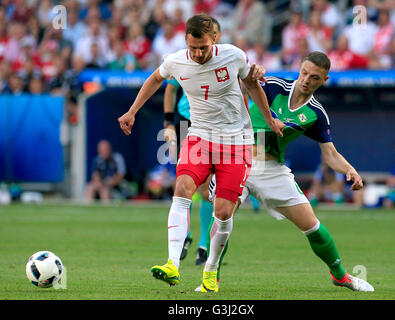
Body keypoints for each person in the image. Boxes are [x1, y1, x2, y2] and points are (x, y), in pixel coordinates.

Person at [117, 13, 284, 292]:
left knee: (223, 210)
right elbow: (155, 79)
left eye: (203, 48)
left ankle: (210, 272)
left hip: (236, 141)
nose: (197, 53)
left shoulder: (233, 56)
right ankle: (172, 263)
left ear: (214, 40)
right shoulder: (176, 60)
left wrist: (269, 119)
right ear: (186, 41)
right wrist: (132, 111)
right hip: (200, 137)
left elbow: (253, 85)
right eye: (193, 47)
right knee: (182, 187)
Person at [201, 51, 375, 292]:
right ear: (299, 69)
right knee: (221, 217)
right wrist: (254, 73)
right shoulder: (274, 85)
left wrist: (349, 169)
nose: (306, 80)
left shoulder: (315, 113)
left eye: (314, 77)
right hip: (237, 159)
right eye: (304, 73)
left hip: (272, 170)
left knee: (312, 226)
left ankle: (340, 275)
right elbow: (245, 83)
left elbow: (330, 153)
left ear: (324, 80)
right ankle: (211, 280)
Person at [162, 17, 222, 266]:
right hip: (187, 122)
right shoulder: (186, 59)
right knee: (186, 181)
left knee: (206, 187)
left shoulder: (226, 60)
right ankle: (185, 237)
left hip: (215, 126)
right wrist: (167, 123)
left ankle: (203, 244)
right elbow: (169, 88)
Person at [85, 139, 127, 204]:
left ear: (110, 149)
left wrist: (109, 183)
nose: (104, 152)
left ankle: (107, 210)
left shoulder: (117, 158)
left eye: (106, 149)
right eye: (102, 150)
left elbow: (121, 175)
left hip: (115, 186)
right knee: (90, 188)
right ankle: (88, 209)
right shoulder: (97, 160)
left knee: (105, 191)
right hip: (102, 184)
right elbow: (95, 175)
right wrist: (99, 183)